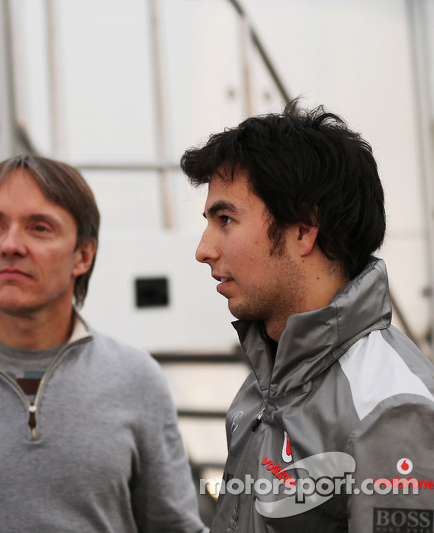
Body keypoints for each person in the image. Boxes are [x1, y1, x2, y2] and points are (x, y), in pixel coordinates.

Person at [182, 100, 434, 530]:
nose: (204, 250)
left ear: (303, 229)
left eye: (225, 219)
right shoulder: (264, 381)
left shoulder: (390, 407)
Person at [0, 155, 207, 532]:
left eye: (39, 228)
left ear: (83, 256)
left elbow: (174, 526)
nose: (10, 245)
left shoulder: (136, 378)